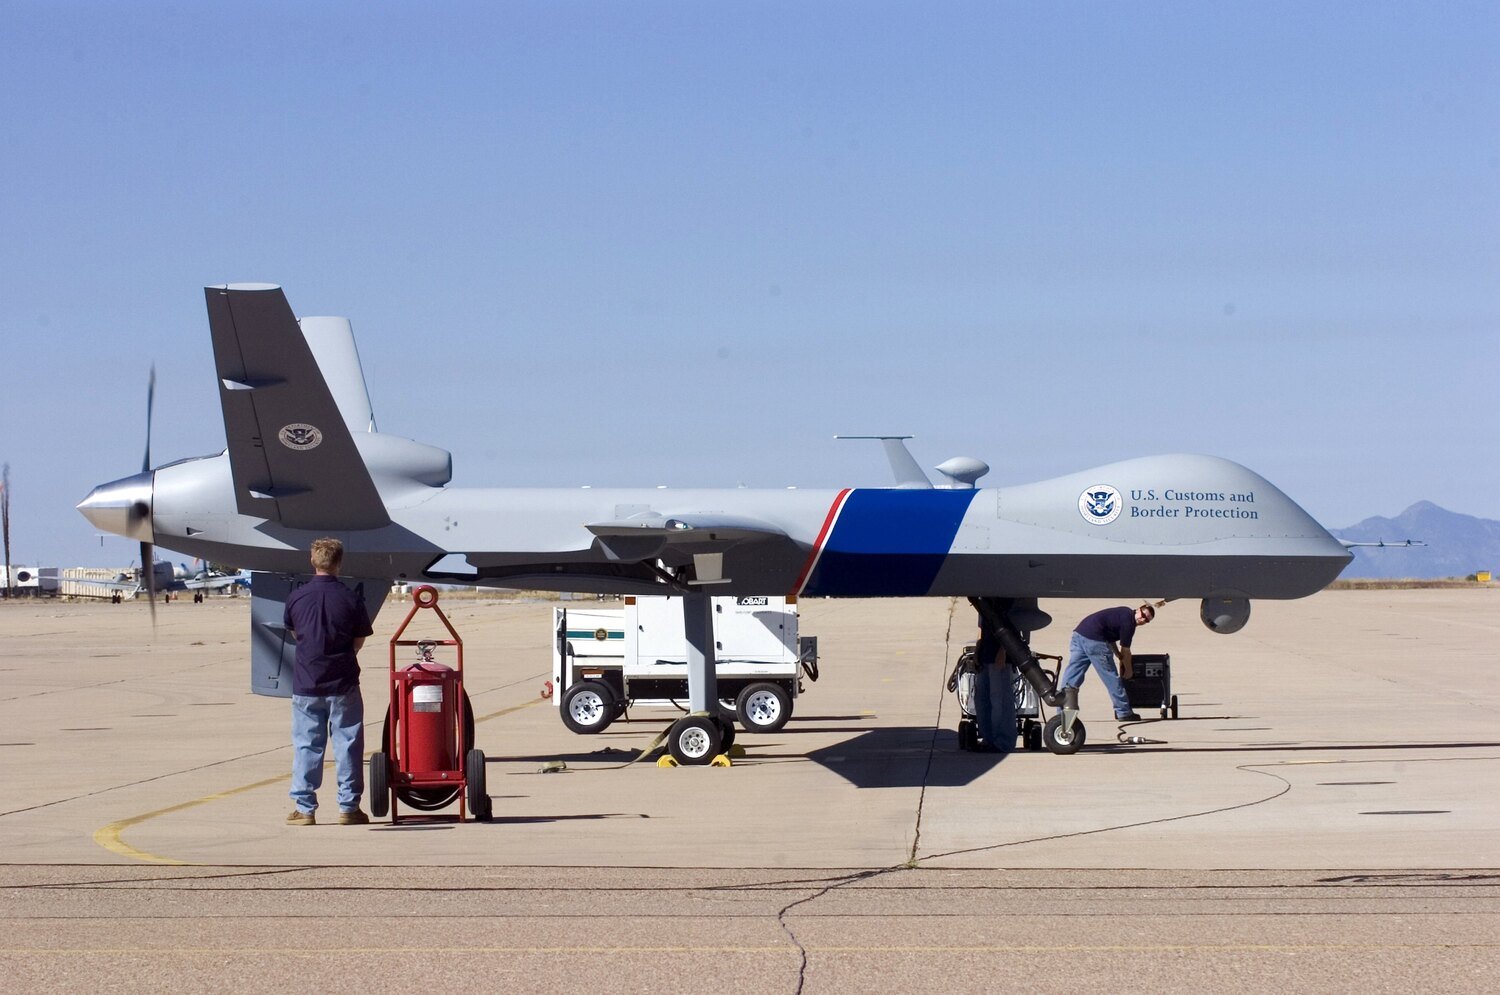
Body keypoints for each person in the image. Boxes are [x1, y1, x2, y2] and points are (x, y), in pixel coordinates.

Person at [283, 537, 374, 826]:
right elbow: (358, 639)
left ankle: (305, 808)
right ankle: (349, 807)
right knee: (348, 744)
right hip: (343, 681)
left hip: (307, 682)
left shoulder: (297, 597)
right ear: (339, 562)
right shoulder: (351, 597)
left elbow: (295, 633)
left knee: (307, 744)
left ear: (313, 561)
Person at [1060, 604, 1155, 721]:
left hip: (1080, 633)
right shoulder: (1129, 623)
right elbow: (1126, 651)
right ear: (1139, 610)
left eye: (1146, 620)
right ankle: (1124, 711)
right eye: (1143, 615)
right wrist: (1129, 670)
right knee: (1111, 677)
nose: (1143, 620)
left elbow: (1111, 639)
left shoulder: (1124, 612)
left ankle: (1062, 711)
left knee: (1072, 675)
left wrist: (1118, 656)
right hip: (1094, 640)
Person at [971, 622, 1016, 753]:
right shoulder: (983, 601)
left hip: (1000, 655)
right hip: (985, 653)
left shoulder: (1006, 601)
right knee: (982, 700)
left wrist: (1003, 650)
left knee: (999, 700)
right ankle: (988, 739)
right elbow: (981, 627)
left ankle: (1003, 742)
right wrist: (977, 650)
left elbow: (1012, 625)